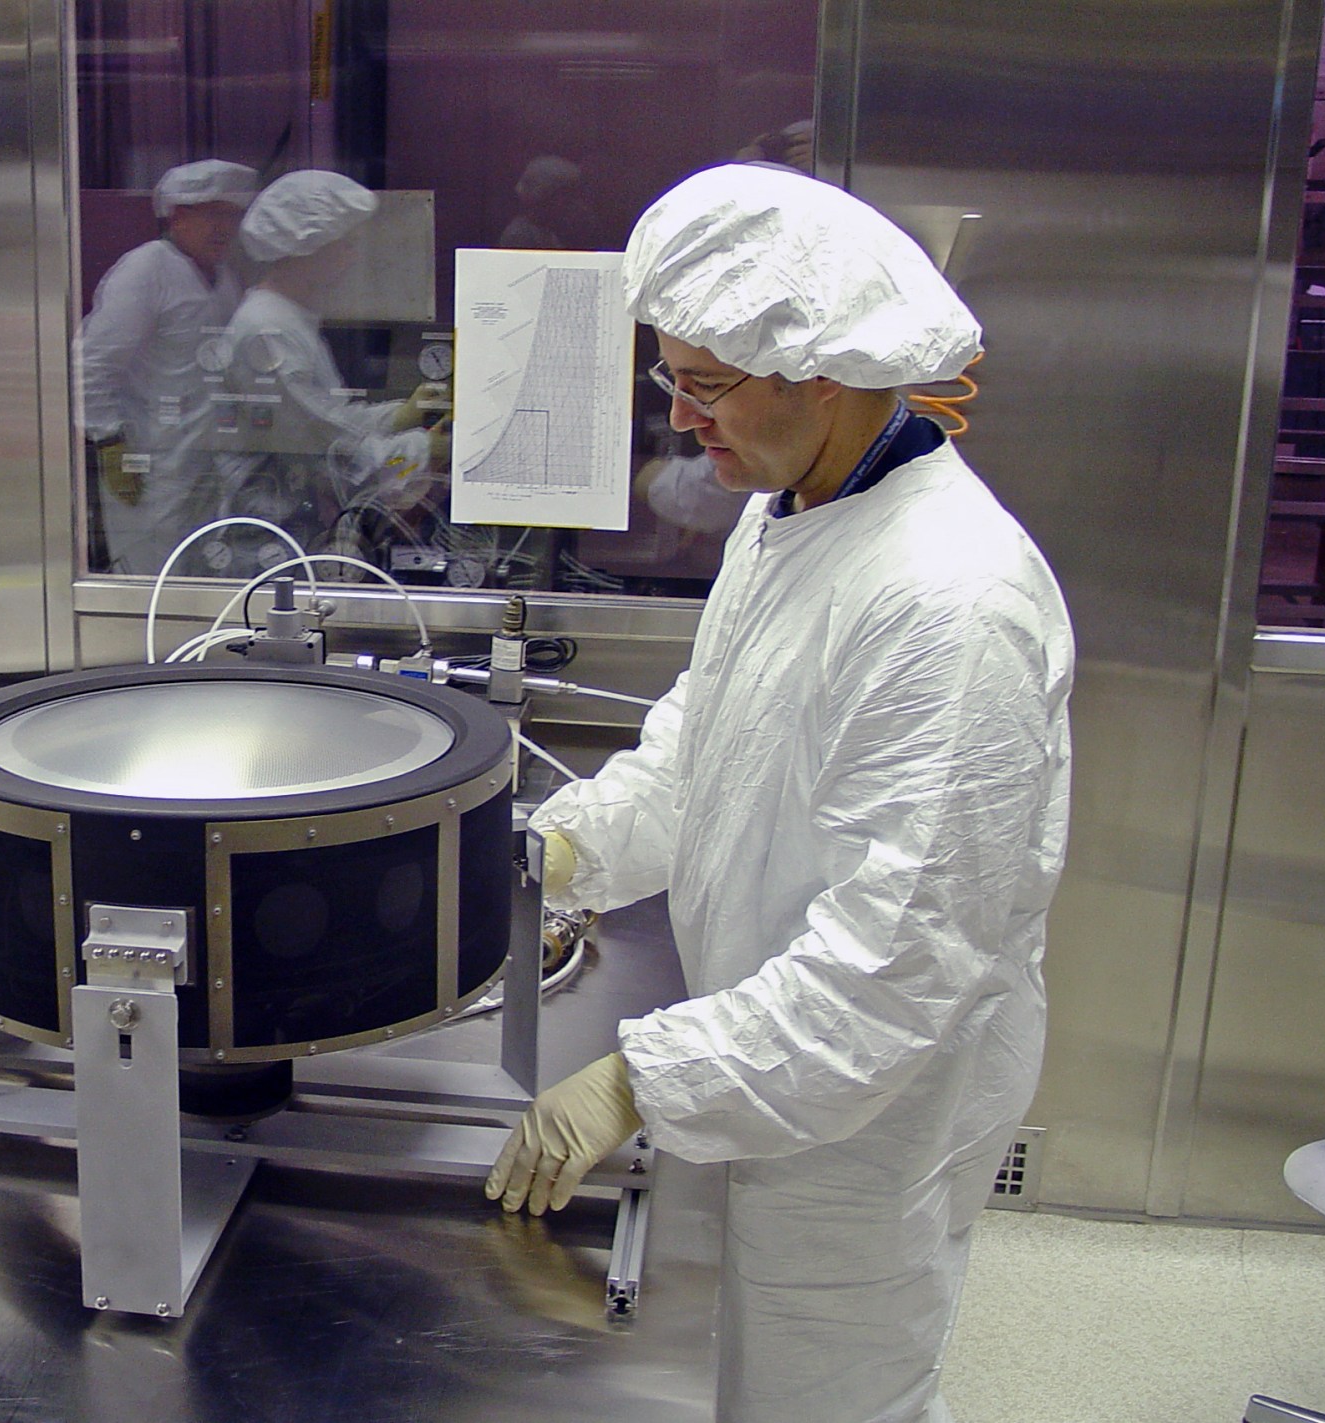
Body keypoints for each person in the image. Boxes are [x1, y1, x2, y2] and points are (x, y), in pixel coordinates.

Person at [485, 164, 1074, 1423]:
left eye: (703, 384)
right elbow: (709, 746)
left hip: (872, 1111)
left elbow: (893, 964)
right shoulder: (792, 512)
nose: (680, 418)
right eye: (670, 377)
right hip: (776, 1045)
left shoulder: (948, 607)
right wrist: (558, 855)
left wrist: (639, 1079)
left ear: (819, 374)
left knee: (828, 1387)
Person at [207, 169, 449, 571]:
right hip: (270, 547)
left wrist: (401, 414)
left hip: (297, 535)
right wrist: (429, 450)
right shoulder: (268, 332)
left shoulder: (290, 317)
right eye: (345, 245)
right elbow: (335, 459)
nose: (353, 257)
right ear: (307, 249)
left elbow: (327, 420)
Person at [80, 159, 257, 573]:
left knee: (199, 573)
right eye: (211, 215)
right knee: (150, 574)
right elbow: (92, 362)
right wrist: (108, 440)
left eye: (231, 216)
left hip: (204, 460)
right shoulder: (145, 270)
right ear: (177, 217)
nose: (223, 228)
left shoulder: (224, 277)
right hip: (149, 465)